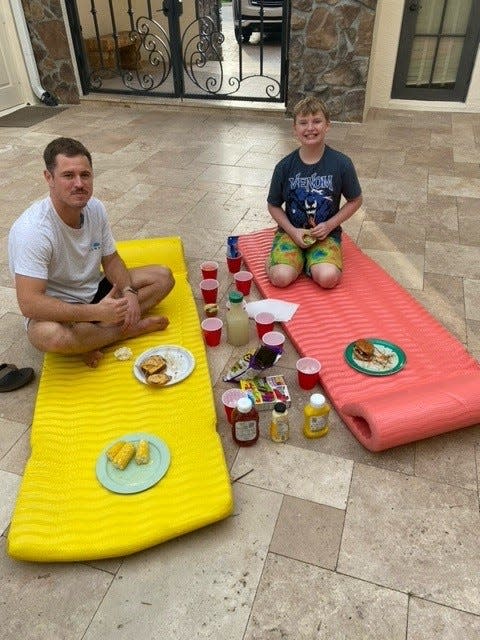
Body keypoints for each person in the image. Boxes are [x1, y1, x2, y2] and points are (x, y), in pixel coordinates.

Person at [8, 137, 174, 368]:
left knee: (163, 277)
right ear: (49, 178)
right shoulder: (33, 231)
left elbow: (112, 259)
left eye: (85, 175)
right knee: (49, 335)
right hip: (61, 310)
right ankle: (125, 331)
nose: (79, 183)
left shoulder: (95, 208)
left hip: (96, 291)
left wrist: (129, 292)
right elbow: (29, 303)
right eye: (68, 175)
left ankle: (94, 337)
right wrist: (95, 312)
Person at [266, 96, 363, 289]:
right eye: (303, 123)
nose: (310, 128)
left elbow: (356, 200)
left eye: (317, 121)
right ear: (295, 129)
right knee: (280, 278)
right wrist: (292, 232)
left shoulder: (342, 163)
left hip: (326, 235)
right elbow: (273, 205)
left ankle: (306, 262)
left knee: (328, 279)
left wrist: (329, 225)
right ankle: (284, 262)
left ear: (328, 125)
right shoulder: (284, 167)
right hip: (291, 233)